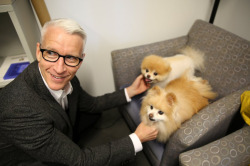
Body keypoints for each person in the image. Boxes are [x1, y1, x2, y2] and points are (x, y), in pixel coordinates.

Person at [0, 18, 158, 166]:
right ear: (38, 52)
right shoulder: (17, 110)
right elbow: (80, 161)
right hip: (29, 160)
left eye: (70, 58)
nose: (60, 68)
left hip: (56, 133)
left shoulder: (68, 77)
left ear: (81, 59)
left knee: (94, 116)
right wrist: (137, 139)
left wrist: (131, 91)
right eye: (51, 53)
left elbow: (92, 104)